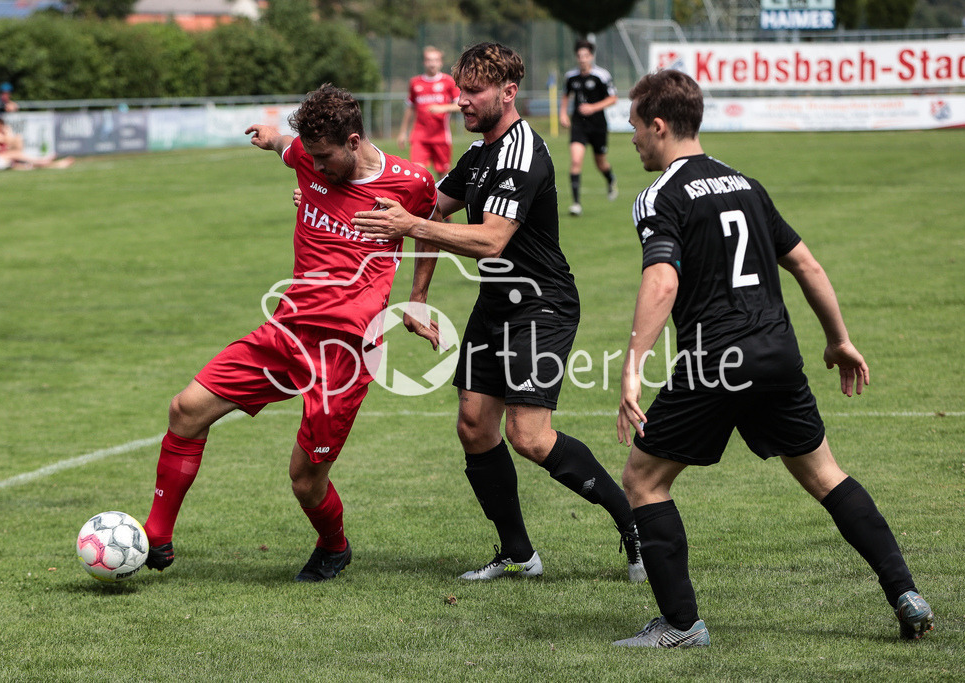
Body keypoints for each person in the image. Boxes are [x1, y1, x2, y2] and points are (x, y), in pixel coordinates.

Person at [613, 69, 933, 648]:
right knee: (825, 475)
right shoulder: (747, 185)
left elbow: (661, 279)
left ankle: (682, 627)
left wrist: (632, 365)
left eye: (634, 126)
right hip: (777, 353)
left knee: (643, 481)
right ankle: (905, 592)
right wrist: (838, 339)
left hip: (717, 360)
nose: (631, 137)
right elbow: (807, 265)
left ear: (659, 126)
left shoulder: (660, 195)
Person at [354, 42, 645, 583]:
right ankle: (518, 552)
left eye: (472, 92)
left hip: (542, 305)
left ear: (508, 93)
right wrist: (417, 297)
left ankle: (635, 525)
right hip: (495, 307)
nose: (459, 100)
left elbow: (489, 240)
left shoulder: (523, 152)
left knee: (530, 436)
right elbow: (430, 213)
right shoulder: (477, 155)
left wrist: (411, 226)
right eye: (458, 90)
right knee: (473, 427)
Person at [140, 84, 438, 582]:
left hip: (345, 354)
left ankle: (334, 546)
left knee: (305, 481)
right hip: (287, 330)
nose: (316, 167)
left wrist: (419, 299)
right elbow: (288, 147)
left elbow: (429, 225)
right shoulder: (306, 154)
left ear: (354, 140)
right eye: (311, 157)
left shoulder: (410, 182)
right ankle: (156, 538)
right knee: (186, 409)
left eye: (325, 157)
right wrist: (272, 136)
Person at [559, 40, 618, 217]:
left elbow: (613, 98)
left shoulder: (602, 75)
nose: (582, 59)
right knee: (576, 161)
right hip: (579, 125)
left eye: (586, 56)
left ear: (591, 56)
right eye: (579, 56)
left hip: (598, 125)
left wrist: (593, 107)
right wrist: (563, 113)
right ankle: (576, 204)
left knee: (600, 163)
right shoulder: (571, 77)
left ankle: (610, 179)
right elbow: (565, 95)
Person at [397, 46, 461, 179]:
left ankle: (440, 200)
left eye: (435, 60)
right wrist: (403, 132)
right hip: (419, 136)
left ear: (440, 62)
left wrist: (442, 108)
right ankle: (421, 200)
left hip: (441, 136)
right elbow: (410, 108)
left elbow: (460, 106)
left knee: (443, 178)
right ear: (424, 62)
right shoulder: (415, 83)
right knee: (416, 174)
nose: (432, 63)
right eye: (429, 60)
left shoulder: (448, 81)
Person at [0, 118, 74, 170]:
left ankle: (56, 165)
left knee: (26, 166)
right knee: (18, 156)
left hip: (0, 160)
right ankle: (43, 160)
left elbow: (10, 142)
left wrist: (7, 132)